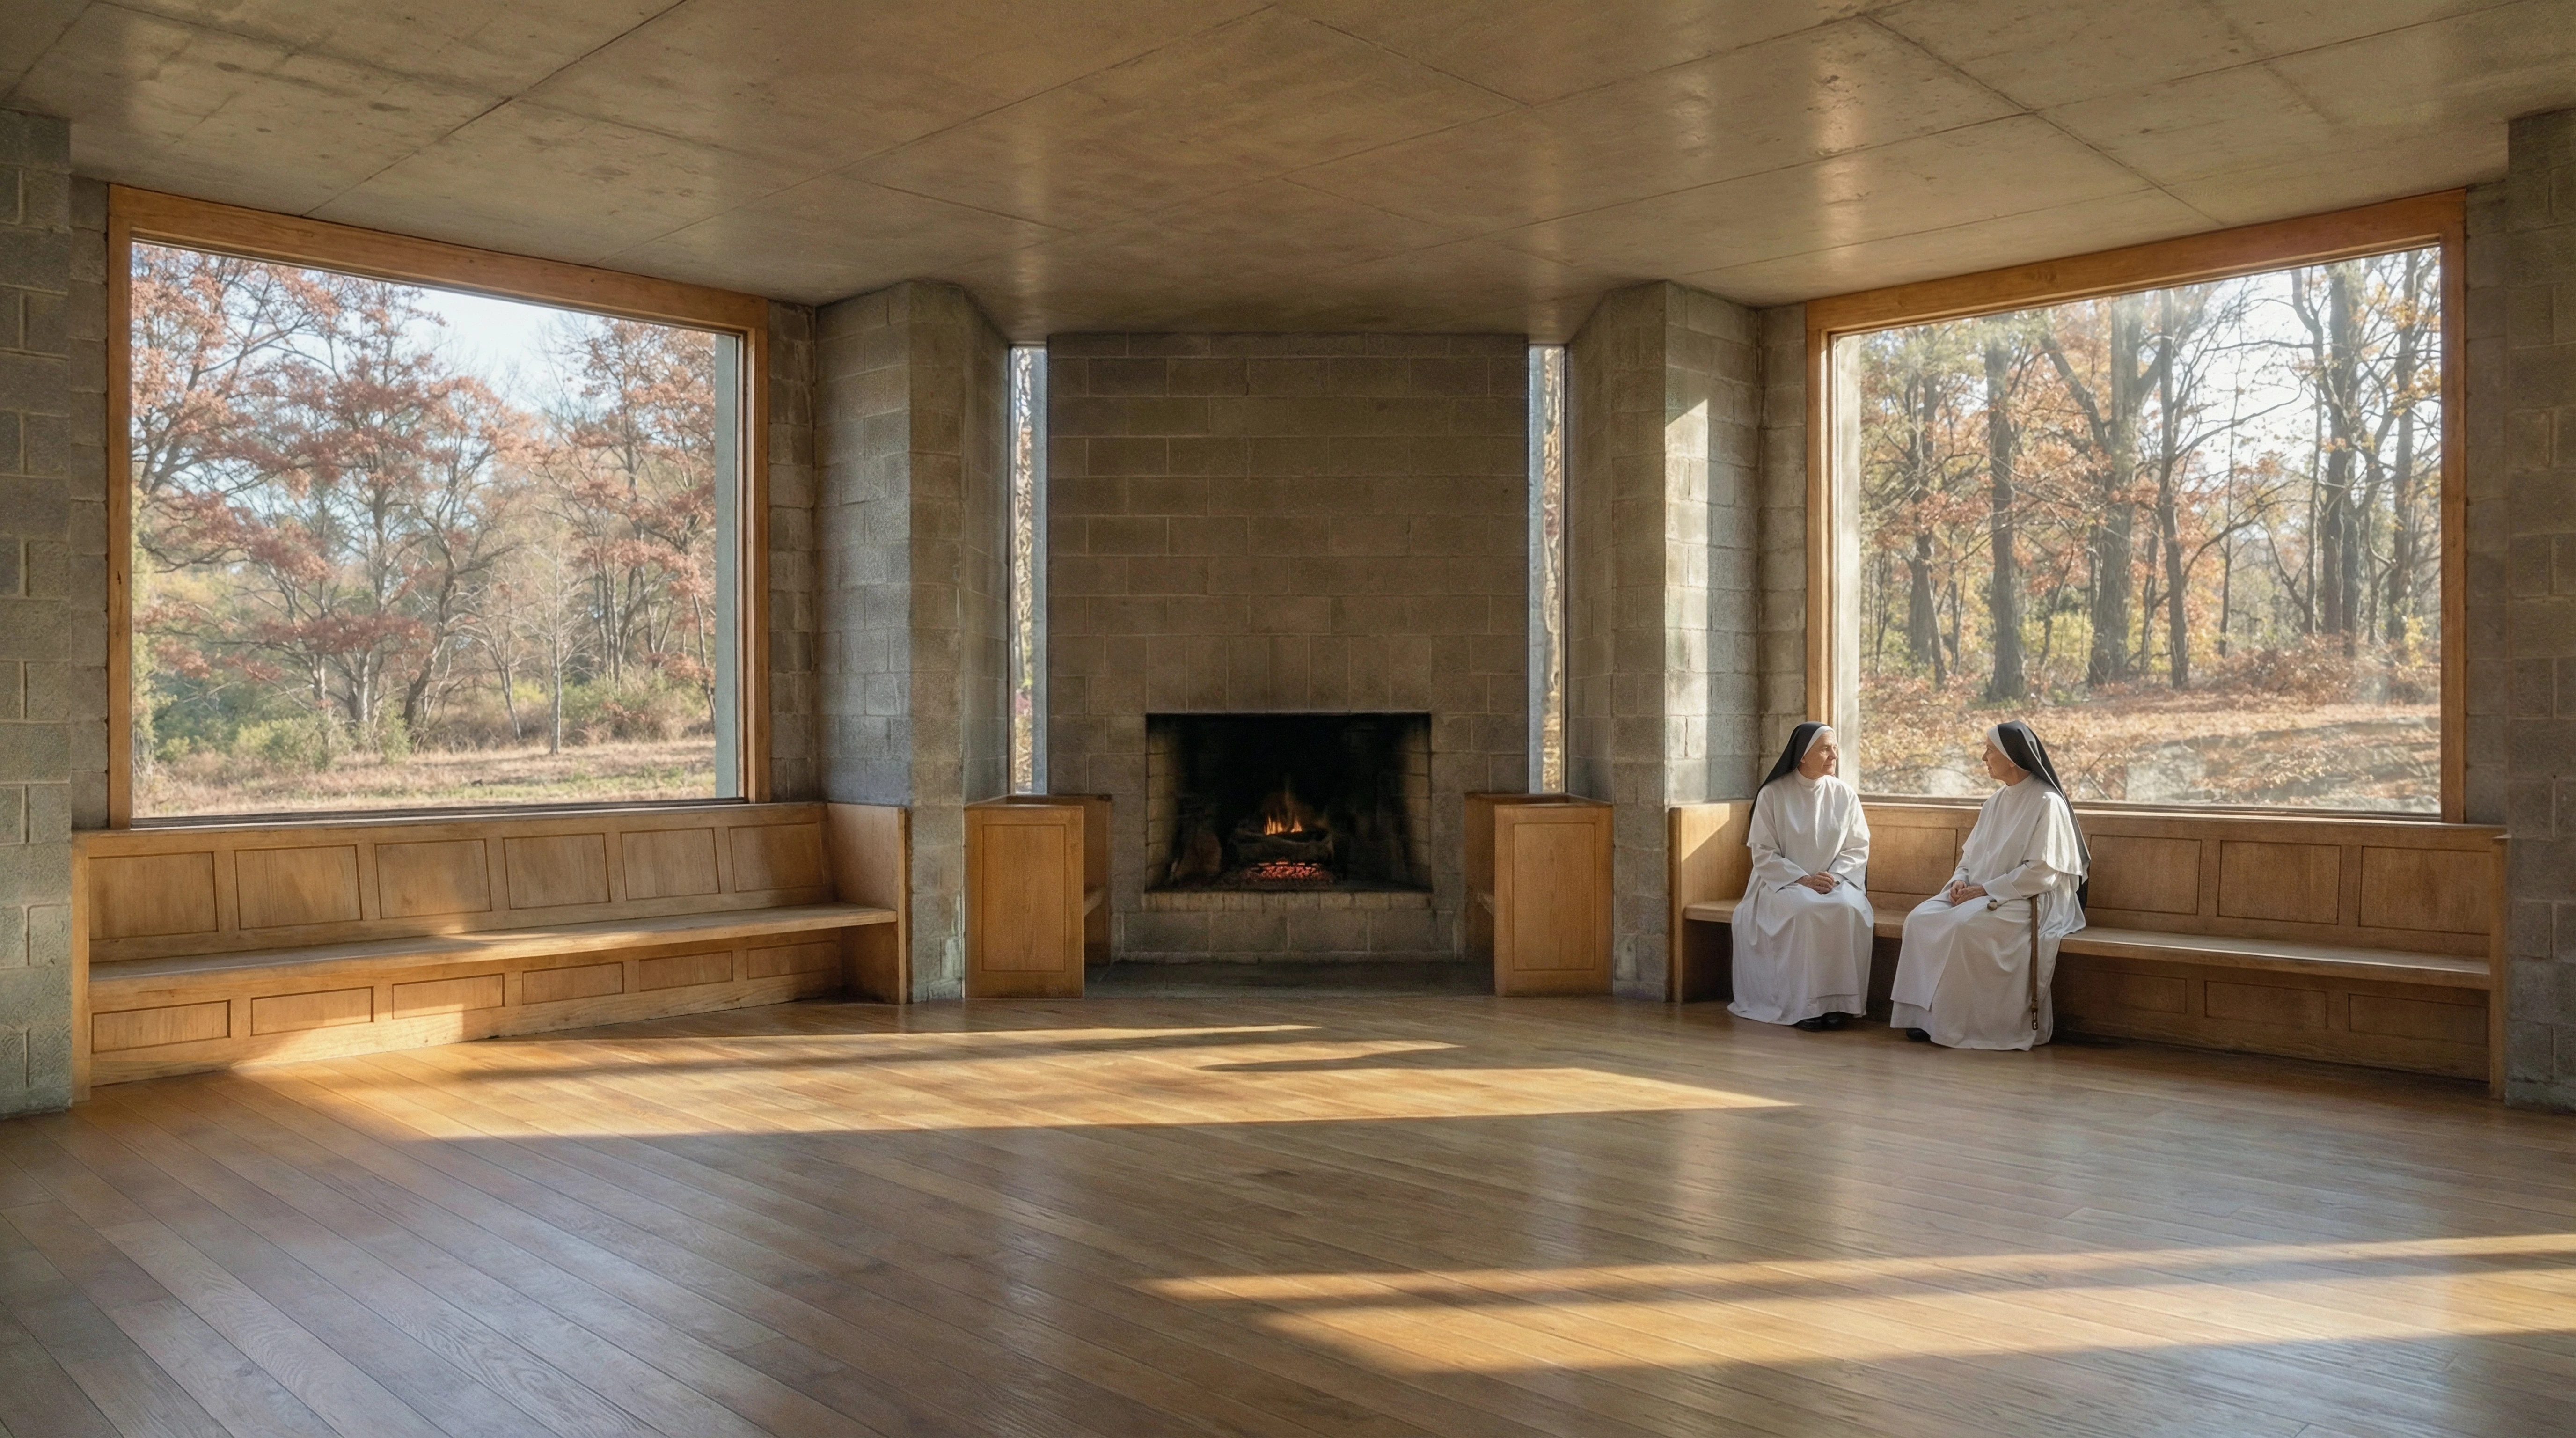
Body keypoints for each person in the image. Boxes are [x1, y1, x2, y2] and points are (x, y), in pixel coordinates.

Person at [1889, 721, 2089, 1050]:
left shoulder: (2047, 802)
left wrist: (1985, 890)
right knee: (1919, 919)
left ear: (2012, 758)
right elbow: (1969, 858)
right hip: (1980, 893)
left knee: (1964, 926)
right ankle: (1925, 1019)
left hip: (2028, 899)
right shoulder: (1995, 802)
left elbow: (2043, 873)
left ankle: (1959, 1024)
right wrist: (1959, 881)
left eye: (1989, 751)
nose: (1984, 758)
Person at [1731, 722, 1873, 1032]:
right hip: (1781, 883)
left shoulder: (1845, 795)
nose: (1834, 755)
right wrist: (1803, 880)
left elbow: (1857, 847)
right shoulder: (1773, 795)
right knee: (1806, 911)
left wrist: (1834, 878)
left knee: (1848, 909)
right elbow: (1764, 854)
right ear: (1803, 755)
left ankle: (1837, 1005)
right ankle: (1805, 1007)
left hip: (1836, 882)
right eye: (1825, 749)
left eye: (1835, 748)